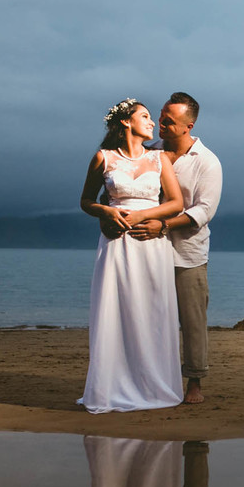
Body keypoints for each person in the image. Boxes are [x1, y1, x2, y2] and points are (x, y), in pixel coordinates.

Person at [78, 98, 185, 413]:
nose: (152, 123)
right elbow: (85, 200)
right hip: (116, 243)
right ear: (126, 121)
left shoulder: (159, 159)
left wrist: (142, 216)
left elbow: (176, 202)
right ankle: (112, 386)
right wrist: (105, 211)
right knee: (116, 310)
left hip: (150, 241)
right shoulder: (103, 158)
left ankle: (154, 385)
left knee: (152, 311)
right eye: (146, 116)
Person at [141, 92, 223, 405]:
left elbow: (204, 211)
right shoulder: (148, 153)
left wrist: (163, 225)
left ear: (188, 125)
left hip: (187, 254)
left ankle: (194, 385)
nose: (159, 123)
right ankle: (154, 380)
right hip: (147, 250)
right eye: (160, 115)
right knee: (150, 319)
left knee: (192, 321)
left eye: (168, 120)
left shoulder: (208, 162)